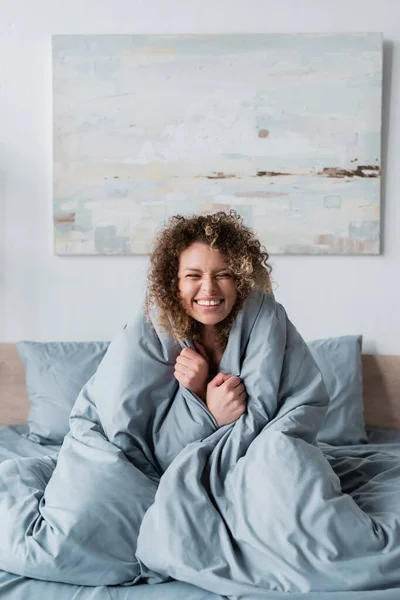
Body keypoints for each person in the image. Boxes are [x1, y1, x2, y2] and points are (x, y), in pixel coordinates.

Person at [145, 209, 272, 428]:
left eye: (223, 275)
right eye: (193, 275)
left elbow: (296, 407)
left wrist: (205, 392)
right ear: (174, 284)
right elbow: (138, 432)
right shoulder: (150, 330)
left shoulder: (267, 321)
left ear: (241, 282)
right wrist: (207, 411)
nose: (209, 288)